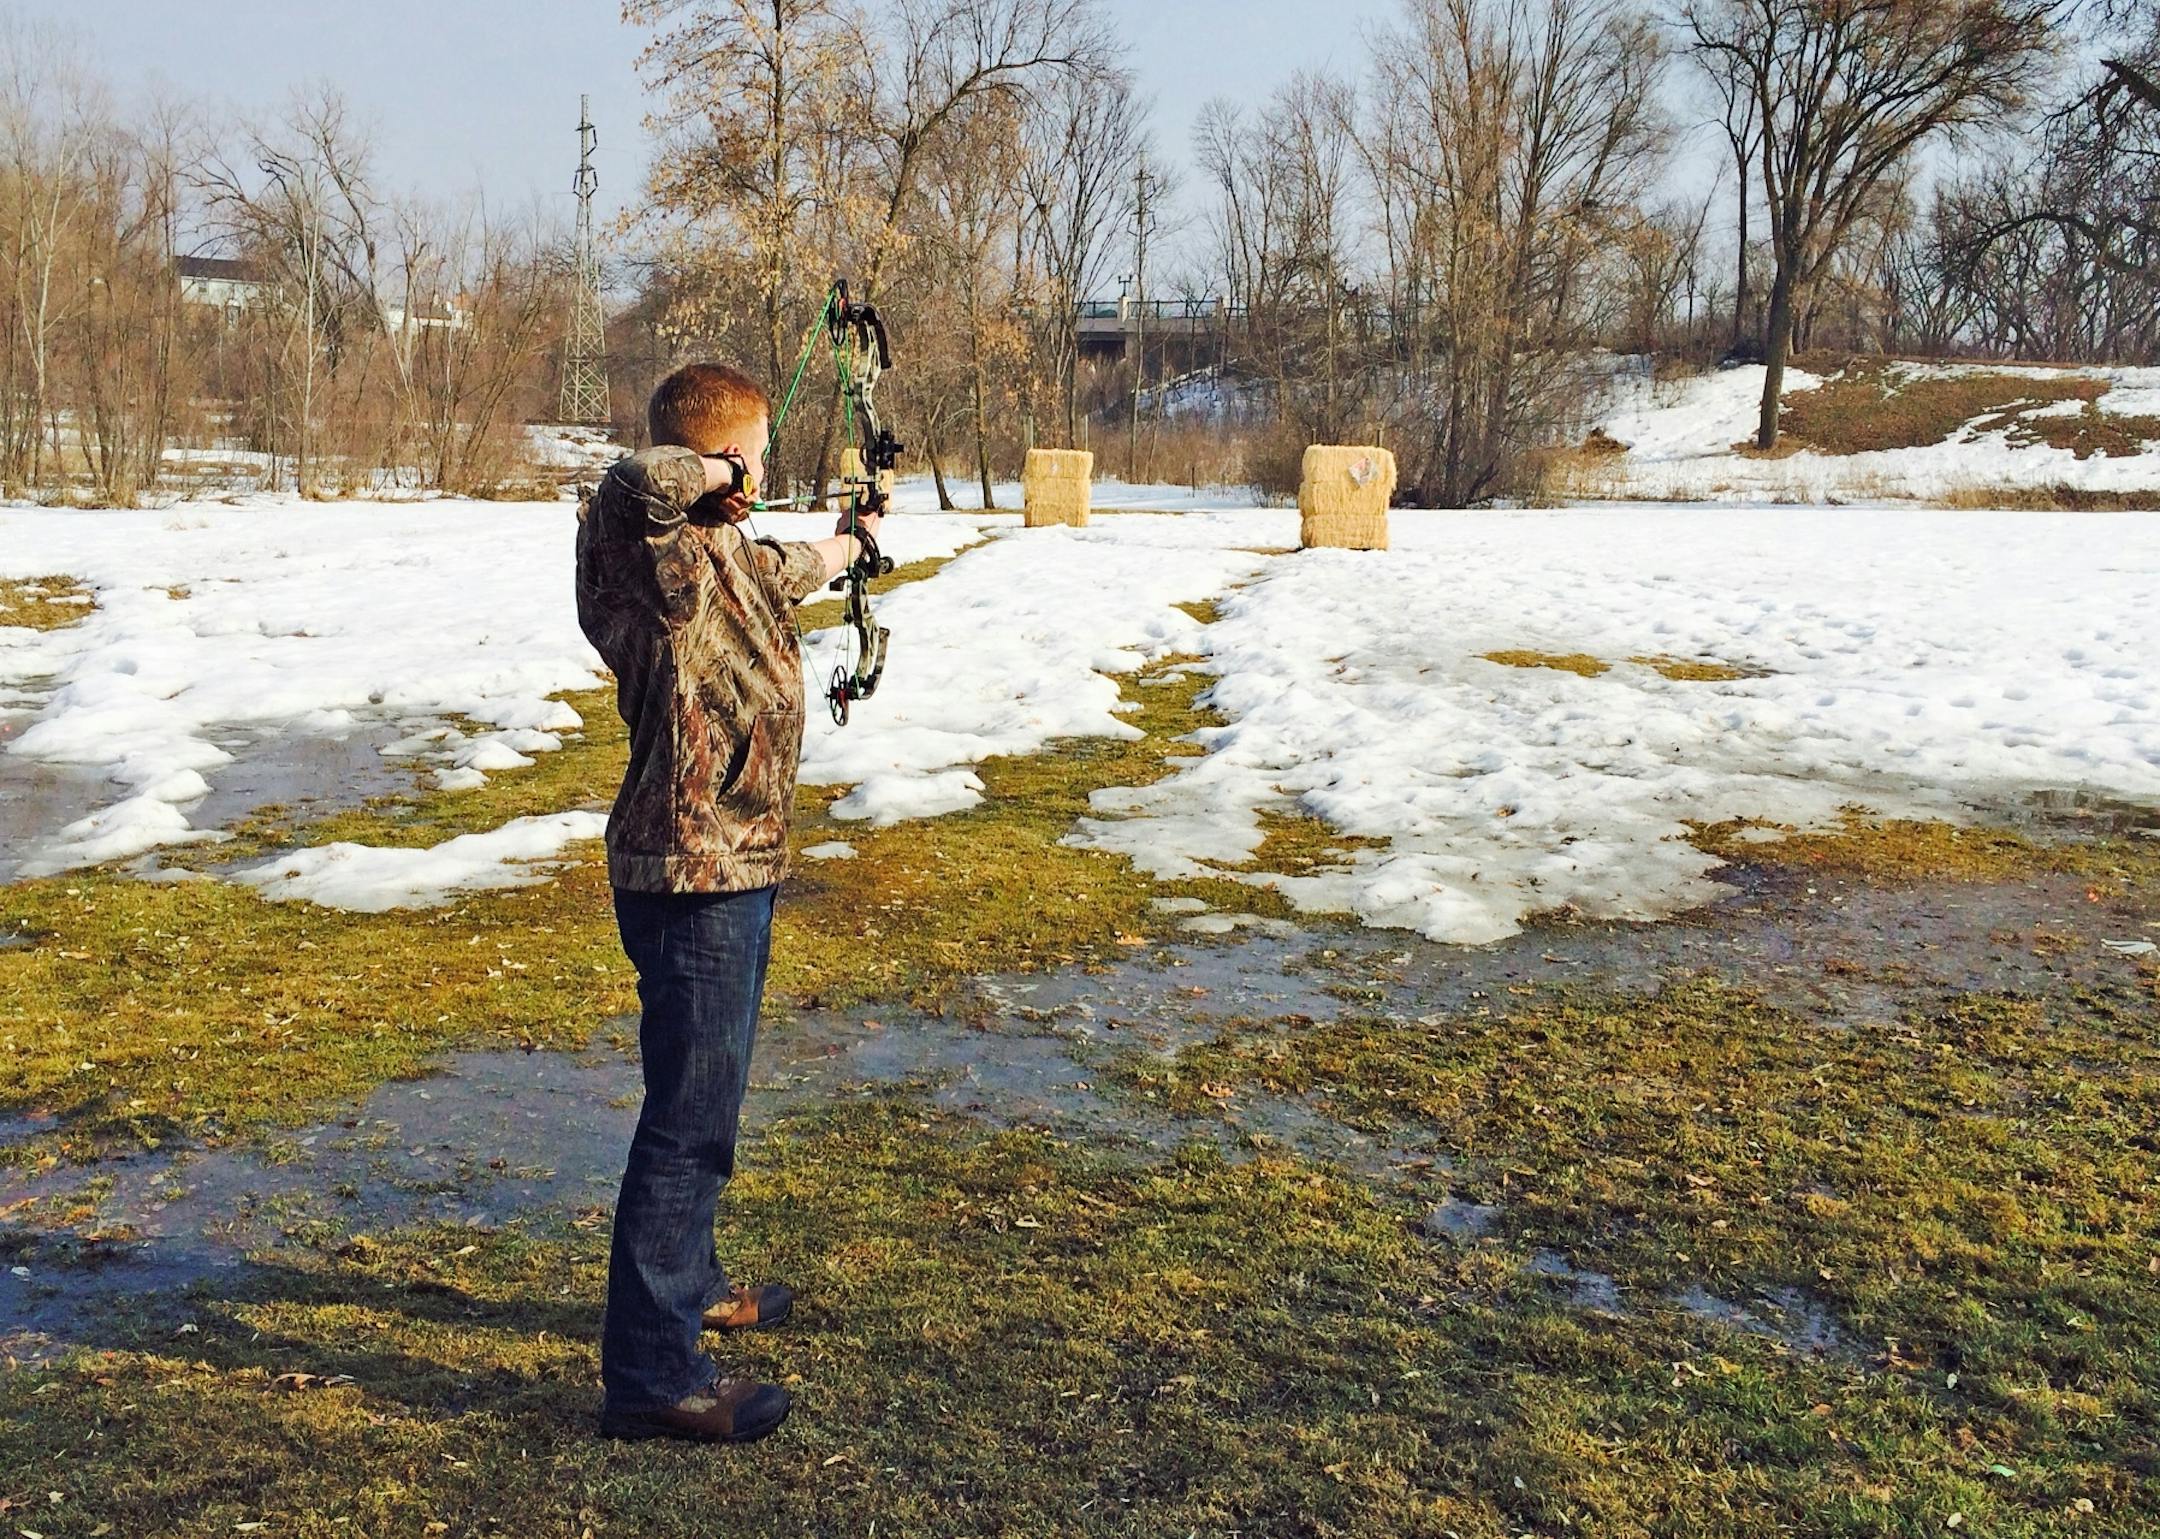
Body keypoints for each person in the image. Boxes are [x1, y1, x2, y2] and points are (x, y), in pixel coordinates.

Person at [573, 362, 880, 1445]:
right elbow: (627, 482)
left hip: (738, 864)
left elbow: (780, 568)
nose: (761, 478)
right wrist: (716, 467)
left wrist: (850, 542)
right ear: (717, 456)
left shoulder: (718, 553)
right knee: (685, 1125)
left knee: (710, 1106)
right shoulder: (645, 545)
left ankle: (688, 1283)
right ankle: (654, 1376)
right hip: (688, 868)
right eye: (753, 455)